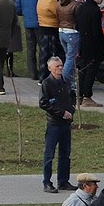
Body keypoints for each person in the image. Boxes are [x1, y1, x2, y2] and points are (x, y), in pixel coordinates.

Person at [38, 56, 74, 193]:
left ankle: (63, 181)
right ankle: (47, 182)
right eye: (57, 66)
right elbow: (43, 103)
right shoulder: (47, 84)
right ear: (50, 68)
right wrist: (61, 112)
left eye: (61, 66)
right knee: (49, 154)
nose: (60, 68)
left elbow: (71, 97)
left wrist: (71, 110)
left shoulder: (66, 81)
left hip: (66, 124)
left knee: (65, 154)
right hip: (54, 124)